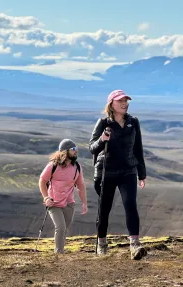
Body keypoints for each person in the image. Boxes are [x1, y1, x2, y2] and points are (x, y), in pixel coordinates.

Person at [89, 89, 147, 260]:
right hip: (106, 172)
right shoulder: (103, 123)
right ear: (111, 104)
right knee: (104, 208)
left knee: (130, 204)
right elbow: (92, 147)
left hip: (128, 170)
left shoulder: (133, 122)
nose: (125, 103)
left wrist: (141, 173)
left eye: (126, 101)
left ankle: (135, 245)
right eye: (121, 101)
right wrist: (102, 139)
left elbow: (138, 148)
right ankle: (102, 244)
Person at [39, 139, 88, 253]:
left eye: (76, 149)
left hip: (69, 203)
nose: (76, 152)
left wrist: (84, 203)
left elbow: (81, 186)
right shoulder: (53, 166)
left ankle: (60, 251)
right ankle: (59, 252)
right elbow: (42, 181)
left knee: (64, 228)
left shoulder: (77, 167)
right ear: (65, 152)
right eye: (73, 149)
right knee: (60, 227)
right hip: (53, 202)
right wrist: (46, 197)